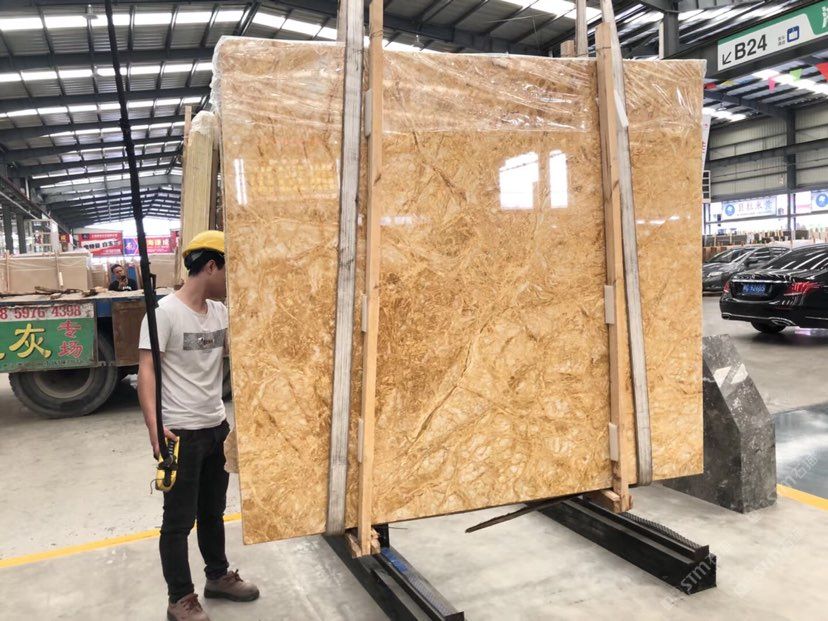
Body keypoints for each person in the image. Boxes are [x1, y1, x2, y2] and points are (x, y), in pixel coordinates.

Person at [137, 230, 258, 621]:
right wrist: (154, 427)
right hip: (181, 433)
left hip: (215, 427)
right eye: (229, 270)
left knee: (212, 512)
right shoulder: (164, 314)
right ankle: (180, 598)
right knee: (178, 521)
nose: (231, 280)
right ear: (210, 266)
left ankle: (217, 576)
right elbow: (146, 371)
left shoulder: (220, 313)